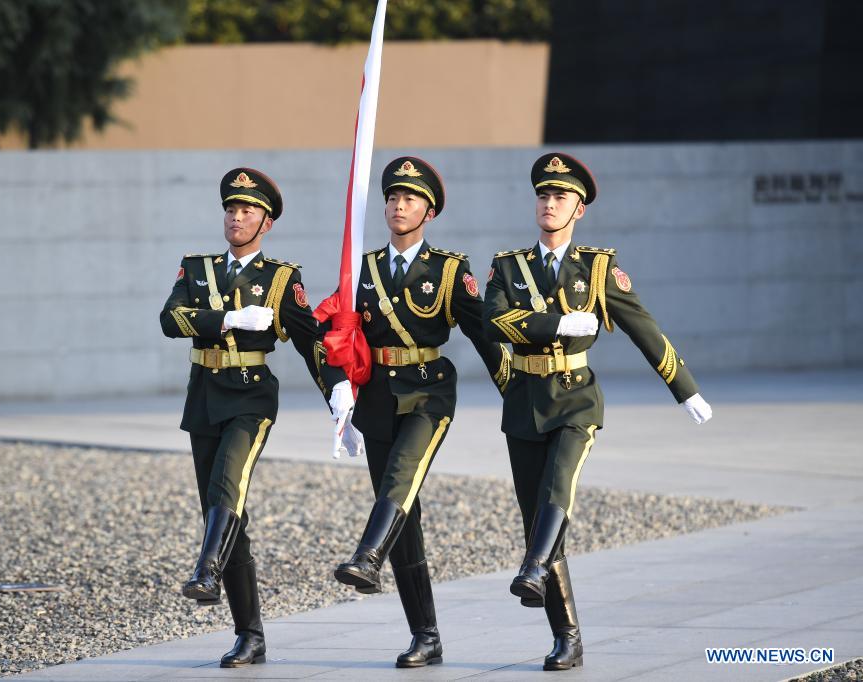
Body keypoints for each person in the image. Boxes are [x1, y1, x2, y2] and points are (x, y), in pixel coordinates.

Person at [483, 152, 713, 671]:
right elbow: (494, 319)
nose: (548, 203)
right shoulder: (506, 266)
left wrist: (685, 389)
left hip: (575, 397)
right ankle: (567, 636)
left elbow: (642, 328)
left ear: (578, 210)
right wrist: (556, 326)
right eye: (543, 195)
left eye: (560, 196)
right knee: (539, 519)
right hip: (523, 401)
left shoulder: (598, 268)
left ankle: (535, 567)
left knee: (557, 487)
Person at [159, 168, 351, 668]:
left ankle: (206, 571)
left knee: (228, 483)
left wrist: (337, 391)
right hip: (204, 396)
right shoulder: (196, 268)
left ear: (266, 222)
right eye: (230, 208)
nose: (236, 216)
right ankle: (251, 635)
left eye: (246, 211)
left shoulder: (281, 279)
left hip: (250, 398)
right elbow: (169, 319)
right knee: (225, 516)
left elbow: (311, 341)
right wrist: (226, 319)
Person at [330, 156, 510, 668]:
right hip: (379, 398)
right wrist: (338, 389)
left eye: (409, 198)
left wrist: (514, 392)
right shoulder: (361, 269)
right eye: (392, 197)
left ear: (428, 211)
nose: (398, 205)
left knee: (401, 477)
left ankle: (367, 556)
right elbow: (339, 335)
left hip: (429, 393)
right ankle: (425, 635)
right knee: (404, 514)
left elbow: (482, 333)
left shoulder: (450, 270)